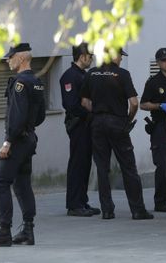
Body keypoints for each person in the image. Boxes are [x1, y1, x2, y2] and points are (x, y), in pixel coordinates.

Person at [80, 48, 154, 220]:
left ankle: (107, 210)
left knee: (102, 167)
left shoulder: (91, 73)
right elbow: (134, 103)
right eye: (120, 55)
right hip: (118, 122)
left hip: (97, 124)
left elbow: (84, 101)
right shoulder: (122, 74)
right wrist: (127, 120)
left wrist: (99, 112)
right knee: (128, 167)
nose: (121, 58)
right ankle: (137, 210)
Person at [0, 43, 46, 246]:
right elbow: (39, 116)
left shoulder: (20, 83)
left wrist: (8, 142)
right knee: (22, 184)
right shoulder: (37, 81)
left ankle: (4, 231)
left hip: (18, 140)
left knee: (0, 184)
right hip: (29, 138)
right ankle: (28, 230)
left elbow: (17, 116)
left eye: (11, 57)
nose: (8, 60)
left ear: (21, 58)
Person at [59, 43, 100, 217]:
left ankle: (82, 200)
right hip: (78, 124)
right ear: (82, 56)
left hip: (87, 124)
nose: (91, 59)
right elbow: (70, 104)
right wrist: (88, 114)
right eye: (90, 56)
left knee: (85, 163)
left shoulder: (83, 75)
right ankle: (74, 204)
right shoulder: (70, 76)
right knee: (77, 163)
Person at [140, 48, 166, 212]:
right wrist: (159, 106)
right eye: (164, 60)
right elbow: (143, 104)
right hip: (159, 126)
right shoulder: (153, 82)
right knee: (162, 165)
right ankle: (160, 201)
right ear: (158, 63)